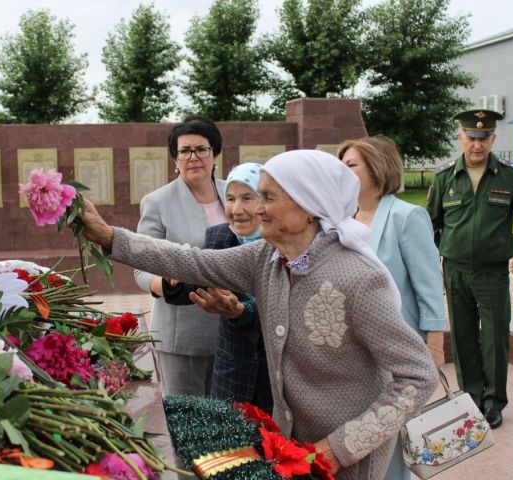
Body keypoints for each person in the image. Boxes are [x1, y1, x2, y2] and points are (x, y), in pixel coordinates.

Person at [81, 149, 438, 479]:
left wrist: (340, 448)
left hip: (347, 464)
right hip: (291, 449)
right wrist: (109, 236)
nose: (257, 209)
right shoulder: (265, 258)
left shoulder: (358, 277)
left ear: (309, 205)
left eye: (268, 198)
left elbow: (418, 376)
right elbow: (193, 261)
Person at [427, 109, 513, 429]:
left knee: (494, 339)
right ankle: (470, 399)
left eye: (484, 138)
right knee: (464, 338)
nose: (477, 145)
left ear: (493, 138)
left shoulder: (510, 178)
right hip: (454, 271)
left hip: (493, 273)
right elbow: (429, 228)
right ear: (460, 137)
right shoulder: (444, 179)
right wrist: (431, 268)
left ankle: (493, 403)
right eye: (471, 137)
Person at [339, 136, 445, 480]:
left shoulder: (406, 216)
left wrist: (435, 343)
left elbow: (429, 285)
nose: (342, 171)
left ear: (377, 168)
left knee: (394, 438)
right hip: (355, 349)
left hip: (398, 346)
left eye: (351, 164)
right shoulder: (342, 219)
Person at [163, 162, 273, 414]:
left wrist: (242, 312)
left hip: (275, 376)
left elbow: (280, 304)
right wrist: (174, 281)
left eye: (247, 198)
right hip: (231, 375)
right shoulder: (219, 237)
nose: (237, 209)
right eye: (231, 198)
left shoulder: (282, 243)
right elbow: (200, 279)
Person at [134, 115, 225, 398]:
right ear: (175, 159)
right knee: (189, 425)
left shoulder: (234, 194)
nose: (193, 157)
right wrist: (165, 282)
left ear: (215, 154)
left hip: (232, 330)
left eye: (201, 149)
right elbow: (141, 268)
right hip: (183, 335)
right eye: (184, 151)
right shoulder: (158, 202)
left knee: (231, 425)